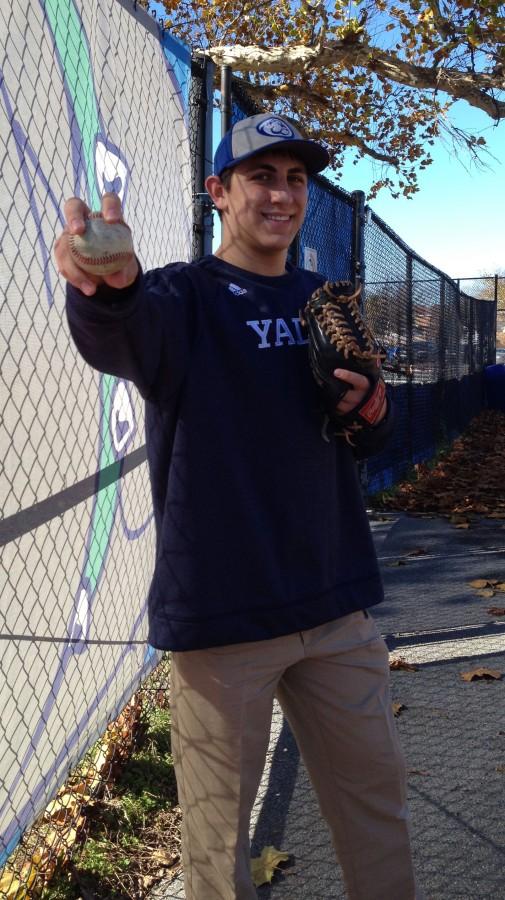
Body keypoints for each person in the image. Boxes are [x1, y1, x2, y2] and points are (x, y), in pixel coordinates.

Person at [55, 113, 421, 900]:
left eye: (295, 178)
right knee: (217, 847)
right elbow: (118, 334)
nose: (282, 194)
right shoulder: (181, 297)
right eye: (262, 176)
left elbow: (374, 434)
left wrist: (371, 413)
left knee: (375, 808)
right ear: (218, 192)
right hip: (223, 618)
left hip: (333, 601)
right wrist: (106, 289)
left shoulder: (325, 300)